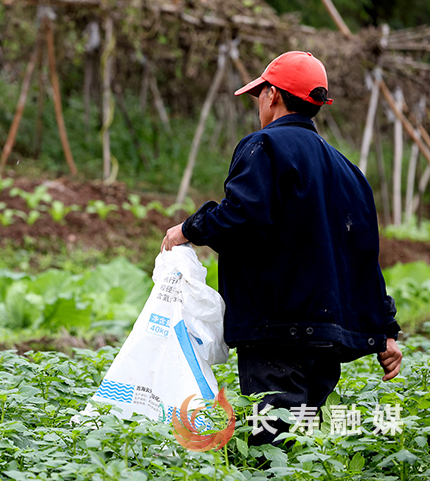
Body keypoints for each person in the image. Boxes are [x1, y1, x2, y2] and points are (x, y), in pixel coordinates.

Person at [162, 51, 402, 445]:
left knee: (273, 440)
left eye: (259, 94)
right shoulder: (350, 172)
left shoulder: (265, 146)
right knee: (302, 439)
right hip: (326, 335)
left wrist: (187, 229)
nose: (258, 101)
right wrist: (385, 331)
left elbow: (241, 216)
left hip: (275, 330)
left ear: (272, 95)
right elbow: (363, 258)